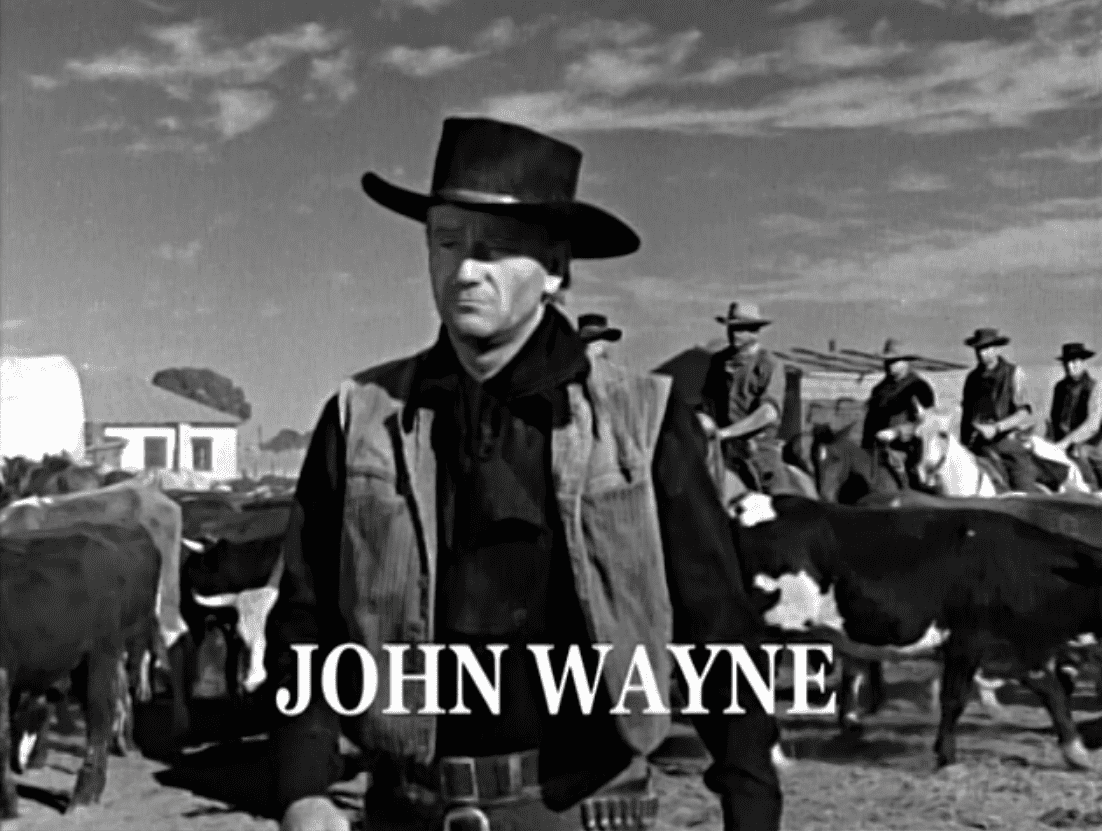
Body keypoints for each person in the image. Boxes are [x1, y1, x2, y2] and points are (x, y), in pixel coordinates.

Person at [268, 117, 783, 831]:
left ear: (556, 270)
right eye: (446, 242)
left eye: (495, 248)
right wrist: (305, 784)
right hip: (410, 807)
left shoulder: (641, 418)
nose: (465, 269)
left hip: (582, 805)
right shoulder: (360, 419)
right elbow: (306, 610)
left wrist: (751, 801)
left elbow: (716, 623)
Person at [698, 302, 789, 494]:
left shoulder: (769, 364)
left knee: (779, 503)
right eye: (731, 328)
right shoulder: (718, 362)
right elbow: (707, 402)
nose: (733, 333)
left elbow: (769, 412)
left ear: (754, 332)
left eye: (740, 329)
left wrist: (727, 432)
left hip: (759, 451)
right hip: (722, 450)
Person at [960, 327, 1039, 492]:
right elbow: (966, 415)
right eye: (979, 349)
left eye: (987, 348)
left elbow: (1024, 411)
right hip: (977, 444)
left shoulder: (1013, 373)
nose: (982, 353)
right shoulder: (972, 378)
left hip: (1006, 443)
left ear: (996, 349)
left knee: (1023, 488)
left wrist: (997, 428)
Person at [861, 339, 935, 489]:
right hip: (875, 451)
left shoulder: (919, 388)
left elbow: (926, 423)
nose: (889, 365)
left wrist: (897, 432)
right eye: (887, 361)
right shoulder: (879, 389)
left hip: (906, 452)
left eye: (894, 361)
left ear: (906, 362)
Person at [1049, 342, 1102, 490]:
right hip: (1062, 444)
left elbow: (1092, 425)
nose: (1070, 366)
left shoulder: (1094, 387)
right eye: (1067, 362)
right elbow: (1054, 418)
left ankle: (1093, 492)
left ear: (1082, 362)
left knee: (1081, 453)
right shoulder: (1059, 388)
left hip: (1092, 445)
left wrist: (1068, 441)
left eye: (1074, 362)